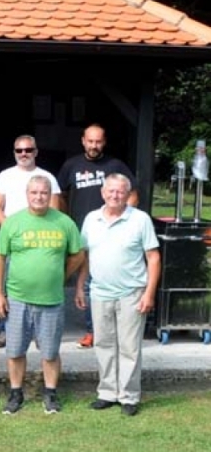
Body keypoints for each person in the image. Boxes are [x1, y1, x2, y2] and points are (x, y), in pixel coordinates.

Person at [0, 176, 83, 415]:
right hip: (17, 299)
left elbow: (77, 255)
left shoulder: (64, 223)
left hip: (51, 300)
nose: (39, 197)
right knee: (14, 350)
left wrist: (60, 276)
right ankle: (15, 393)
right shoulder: (13, 223)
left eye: (44, 193)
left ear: (50, 194)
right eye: (34, 193)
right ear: (26, 194)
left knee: (50, 352)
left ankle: (50, 394)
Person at [75, 174, 160, 417]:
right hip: (100, 292)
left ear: (128, 194)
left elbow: (153, 258)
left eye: (120, 192)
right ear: (103, 193)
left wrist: (149, 293)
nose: (115, 195)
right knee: (103, 345)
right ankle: (107, 392)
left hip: (132, 293)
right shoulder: (92, 219)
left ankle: (129, 396)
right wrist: (81, 286)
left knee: (130, 347)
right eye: (110, 191)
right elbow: (85, 256)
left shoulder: (140, 219)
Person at [57, 124, 138, 349]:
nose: (94, 146)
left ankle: (106, 332)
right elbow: (60, 195)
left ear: (104, 142)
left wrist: (123, 219)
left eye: (98, 141)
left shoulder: (115, 166)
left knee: (106, 282)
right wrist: (66, 221)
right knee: (86, 282)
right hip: (83, 232)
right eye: (90, 141)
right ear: (83, 140)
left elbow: (132, 195)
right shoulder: (71, 165)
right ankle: (93, 330)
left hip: (111, 232)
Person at [0, 134, 61, 348]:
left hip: (42, 241)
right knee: (9, 286)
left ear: (36, 152)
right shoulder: (4, 176)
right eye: (19, 150)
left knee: (38, 285)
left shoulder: (47, 177)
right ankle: (6, 329)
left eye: (28, 150)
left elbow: (55, 210)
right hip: (13, 240)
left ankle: (40, 333)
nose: (24, 154)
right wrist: (12, 231)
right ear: (14, 153)